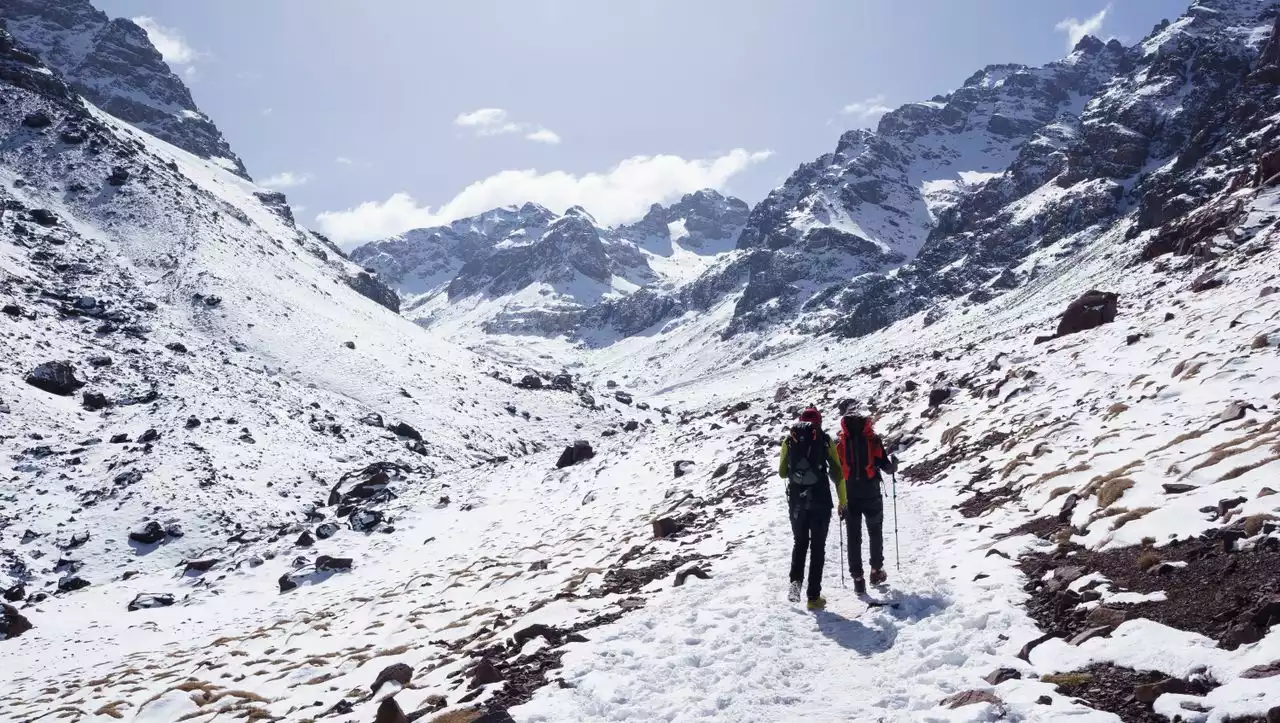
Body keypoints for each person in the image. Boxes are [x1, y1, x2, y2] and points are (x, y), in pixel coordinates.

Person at [778, 406, 847, 610]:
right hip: (820, 500)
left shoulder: (789, 440)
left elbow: (782, 473)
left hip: (796, 502)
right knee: (817, 547)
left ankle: (794, 585)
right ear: (819, 422)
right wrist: (843, 501)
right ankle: (813, 597)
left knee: (800, 542)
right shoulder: (824, 441)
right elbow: (838, 474)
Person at [836, 408, 897, 595]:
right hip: (871, 494)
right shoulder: (873, 441)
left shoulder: (841, 444)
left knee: (853, 537)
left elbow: (836, 471)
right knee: (875, 532)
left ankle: (857, 578)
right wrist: (894, 464)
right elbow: (886, 467)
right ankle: (876, 570)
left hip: (850, 495)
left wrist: (840, 500)